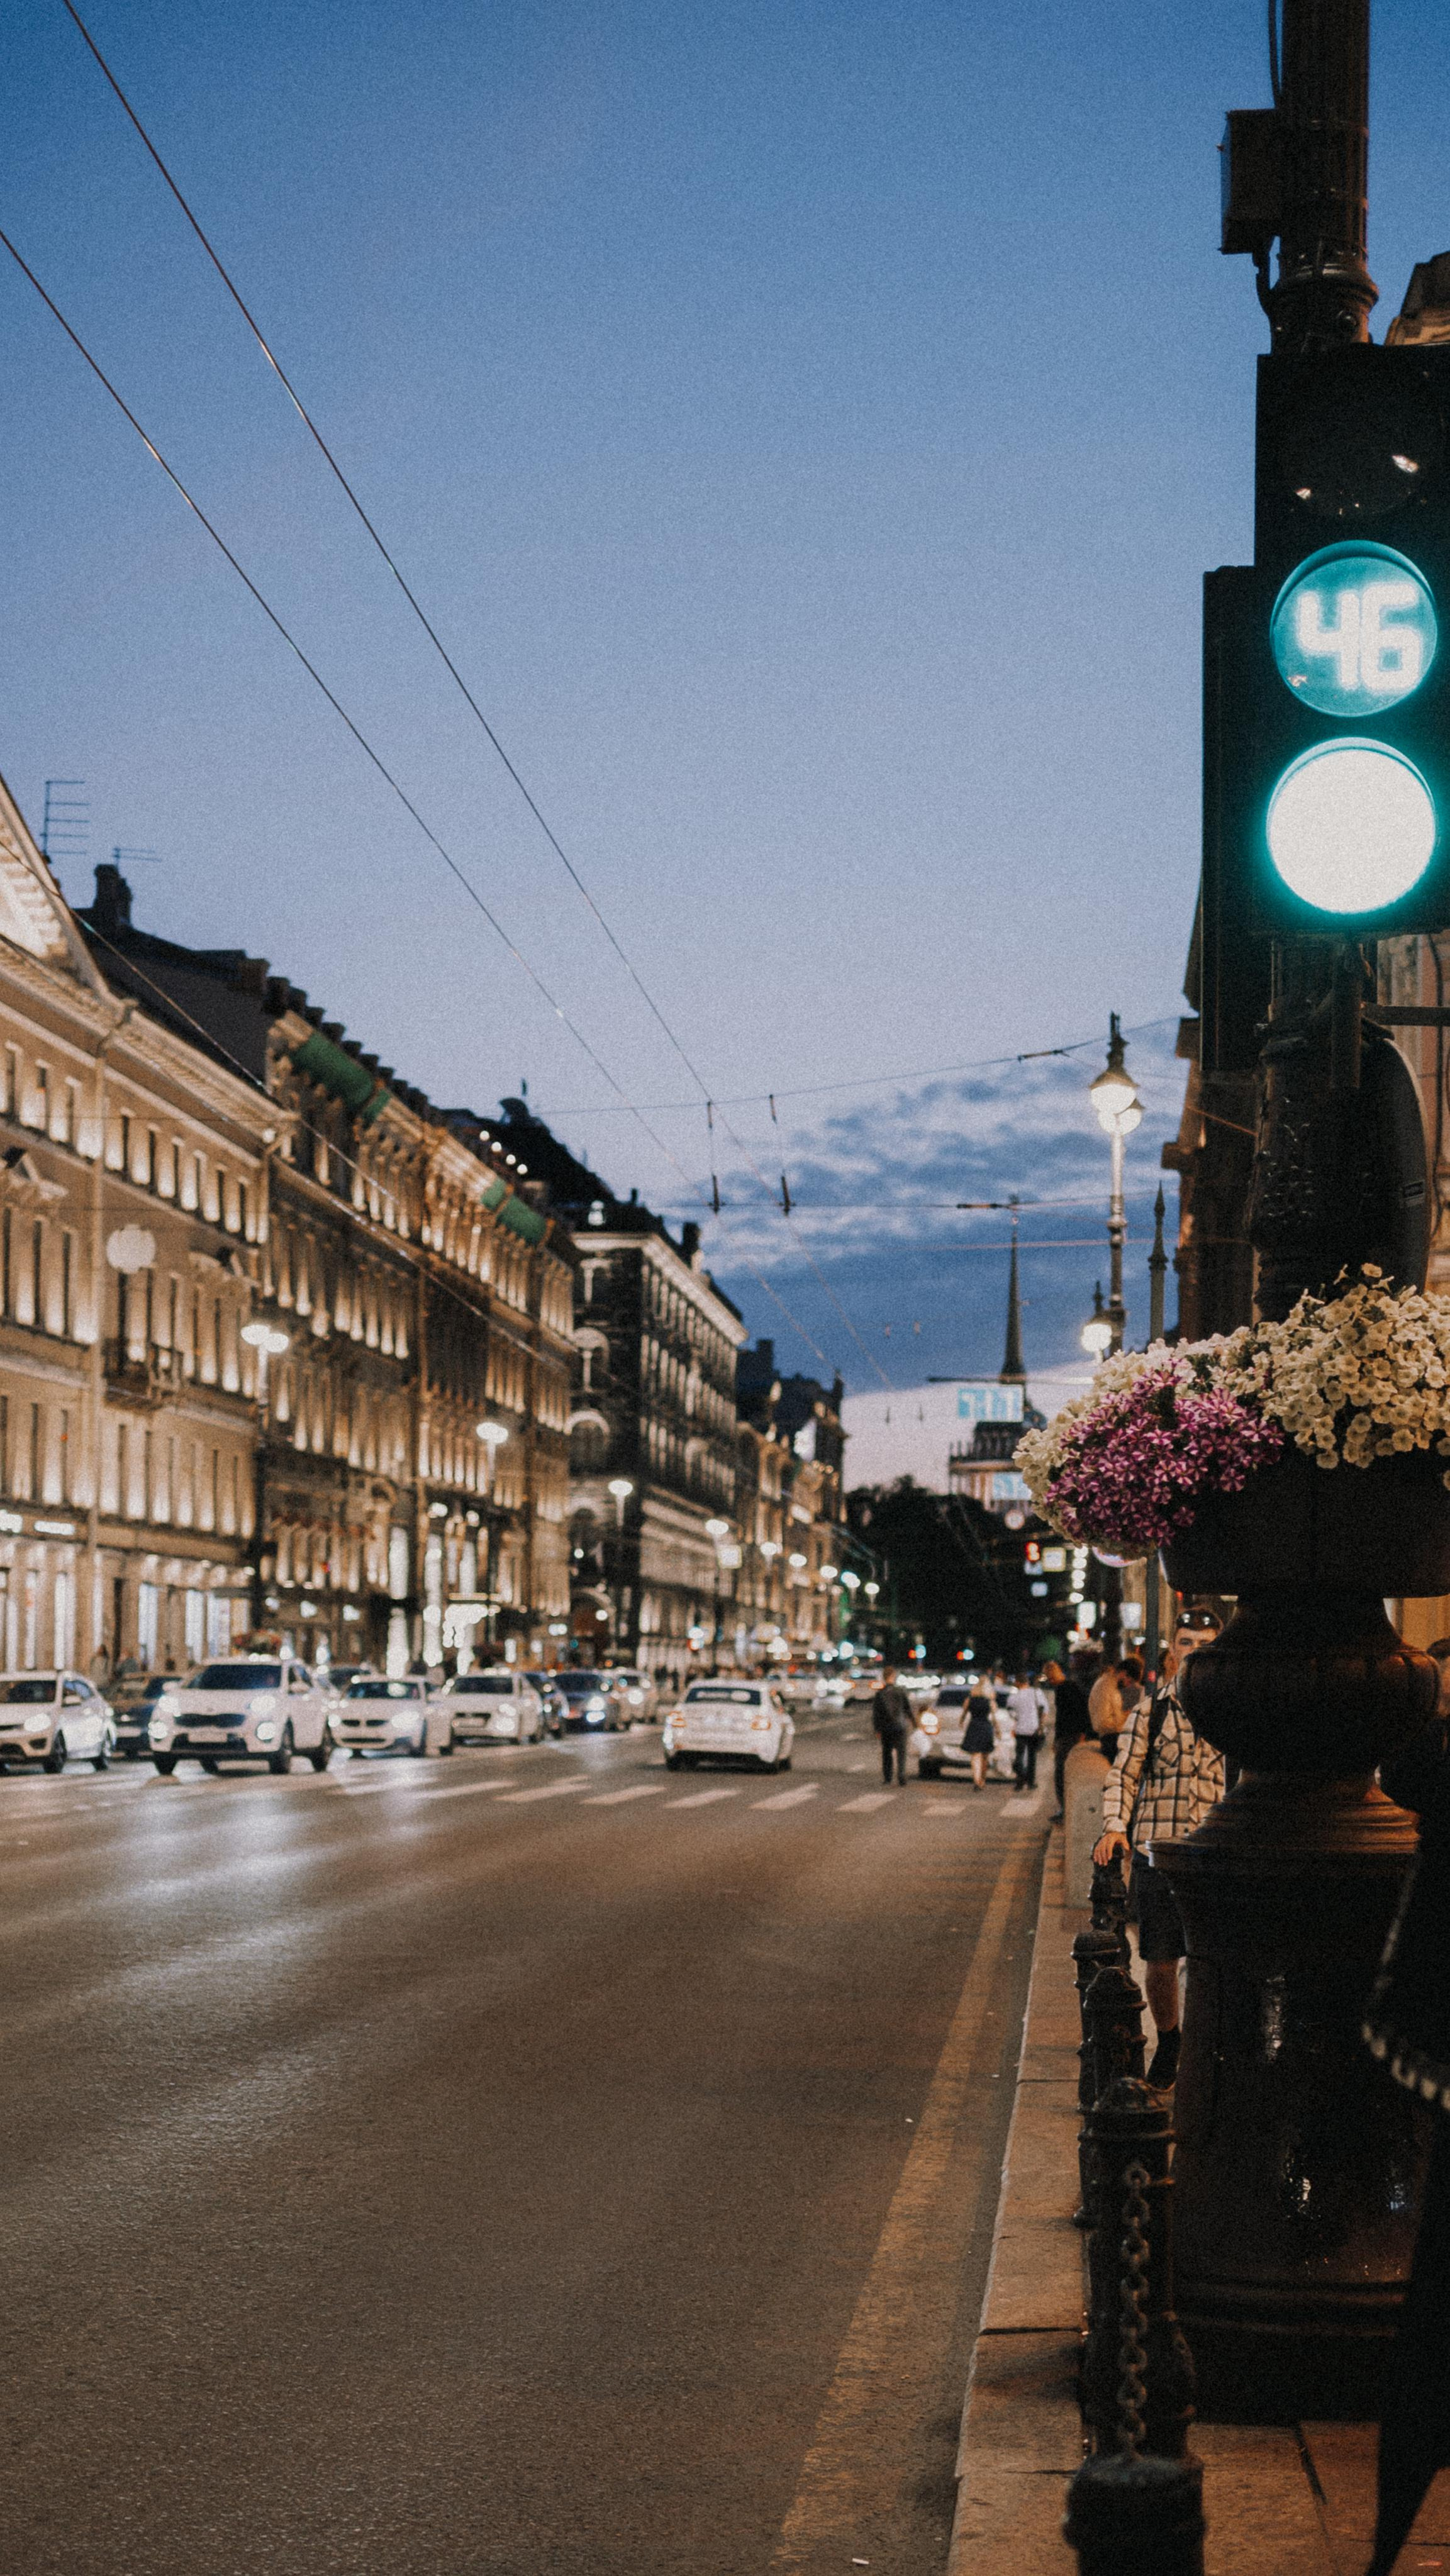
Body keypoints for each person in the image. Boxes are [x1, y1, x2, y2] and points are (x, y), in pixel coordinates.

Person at [1092, 1608, 1225, 2092]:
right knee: (1161, 1960)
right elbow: (1123, 1775)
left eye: (1206, 1644)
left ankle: (1209, 2049)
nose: (1196, 1652)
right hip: (1158, 1851)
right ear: (1174, 1651)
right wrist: (1113, 1827)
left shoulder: (1236, 1713)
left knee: (1215, 1960)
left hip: (1215, 1852)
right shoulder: (1150, 1711)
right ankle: (1170, 2040)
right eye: (1188, 1643)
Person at [1050, 1653, 1094, 1819]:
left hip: (1069, 1736)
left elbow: (1064, 1718)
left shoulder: (1064, 1689)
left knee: (1061, 1773)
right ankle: (1065, 1808)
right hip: (1072, 1735)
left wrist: (1078, 1735)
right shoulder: (1070, 1686)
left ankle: (1064, 1809)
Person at [1088, 1653, 1144, 1766]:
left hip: (1113, 1738)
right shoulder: (1105, 1687)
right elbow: (1102, 1722)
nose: (1129, 1686)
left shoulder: (1110, 1685)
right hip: (1111, 1740)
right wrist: (1125, 1720)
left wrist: (1125, 1716)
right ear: (1124, 1674)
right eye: (1130, 1681)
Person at [872, 1664, 914, 1786]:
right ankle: (901, 1776)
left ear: (884, 1677)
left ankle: (888, 1777)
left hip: (886, 1727)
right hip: (900, 1726)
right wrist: (914, 1723)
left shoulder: (880, 1694)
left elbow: (877, 1714)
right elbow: (908, 1709)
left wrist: (877, 1729)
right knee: (901, 1752)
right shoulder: (900, 1691)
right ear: (893, 1676)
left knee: (887, 1753)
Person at [1010, 1670, 1044, 1792]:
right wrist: (1041, 1726)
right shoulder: (1037, 1693)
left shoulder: (1015, 1695)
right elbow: (1044, 1711)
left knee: (1019, 1755)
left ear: (1018, 1682)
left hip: (1020, 1729)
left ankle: (1020, 1779)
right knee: (1032, 1757)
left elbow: (1011, 1712)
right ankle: (1030, 1782)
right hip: (1034, 1729)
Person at [963, 1675, 997, 1790]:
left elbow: (964, 1715)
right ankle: (982, 1780)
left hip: (974, 1726)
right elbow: (994, 1718)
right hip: (986, 1728)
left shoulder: (970, 1700)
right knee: (985, 1756)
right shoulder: (990, 1701)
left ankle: (977, 1780)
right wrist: (998, 1730)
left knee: (975, 1755)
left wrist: (961, 1723)